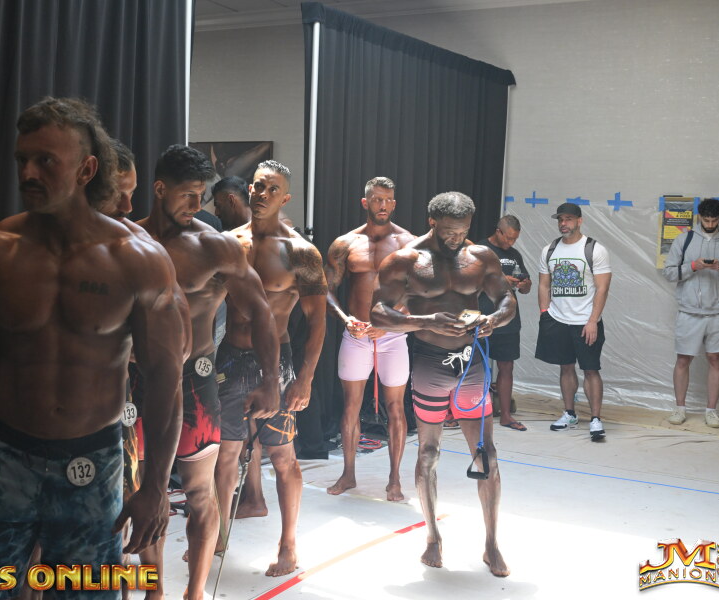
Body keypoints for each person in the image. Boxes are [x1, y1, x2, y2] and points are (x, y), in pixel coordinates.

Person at [0, 97, 186, 598]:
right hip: (5, 457)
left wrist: (155, 485)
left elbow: (165, 378)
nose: (28, 172)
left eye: (45, 160)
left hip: (96, 460)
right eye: (22, 159)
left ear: (86, 170)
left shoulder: (138, 261)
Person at [134, 145, 281, 599]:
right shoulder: (128, 242)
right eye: (188, 194)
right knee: (141, 492)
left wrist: (271, 380)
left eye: (202, 194)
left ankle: (195, 593)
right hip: (136, 381)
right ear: (160, 189)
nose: (197, 205)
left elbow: (261, 311)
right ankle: (155, 591)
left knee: (200, 492)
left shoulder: (215, 246)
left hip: (194, 381)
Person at [371, 191, 514, 577]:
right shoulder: (405, 260)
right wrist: (425, 321)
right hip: (429, 362)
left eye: (463, 231)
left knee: (487, 455)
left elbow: (506, 299)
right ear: (432, 222)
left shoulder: (481, 256)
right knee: (429, 454)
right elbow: (378, 313)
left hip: (471, 362)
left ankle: (491, 544)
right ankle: (432, 537)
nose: (456, 238)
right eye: (449, 231)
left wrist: (494, 320)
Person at [214, 160, 327, 577]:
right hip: (229, 357)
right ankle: (218, 534)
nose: (262, 194)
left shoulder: (301, 252)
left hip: (276, 362)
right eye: (258, 186)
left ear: (285, 198)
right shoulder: (228, 243)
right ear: (248, 189)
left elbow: (317, 321)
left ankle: (288, 545)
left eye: (272, 189)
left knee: (282, 456)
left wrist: (305, 379)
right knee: (225, 452)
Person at [324, 177, 415, 501]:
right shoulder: (346, 243)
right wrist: (345, 319)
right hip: (357, 333)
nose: (383, 205)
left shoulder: (408, 242)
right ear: (365, 202)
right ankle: (348, 474)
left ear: (394, 203)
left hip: (392, 335)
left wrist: (393, 320)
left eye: (388, 200)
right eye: (377, 199)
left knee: (396, 407)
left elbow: (423, 291)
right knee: (350, 405)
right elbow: (327, 289)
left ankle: (394, 479)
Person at [535, 202, 612, 440]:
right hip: (558, 319)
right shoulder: (549, 250)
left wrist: (592, 321)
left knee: (591, 369)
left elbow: (602, 288)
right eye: (560, 219)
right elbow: (544, 284)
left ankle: (596, 419)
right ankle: (569, 413)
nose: (563, 223)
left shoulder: (594, 249)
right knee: (565, 367)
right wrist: (545, 313)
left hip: (585, 321)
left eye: (568, 219)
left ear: (579, 220)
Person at [663, 198, 719, 428]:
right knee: (683, 359)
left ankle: (711, 411)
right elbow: (669, 273)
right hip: (689, 312)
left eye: (714, 220)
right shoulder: (683, 239)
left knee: (715, 359)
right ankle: (680, 409)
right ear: (699, 217)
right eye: (706, 220)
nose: (710, 224)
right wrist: (693, 266)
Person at [477, 215, 532, 431]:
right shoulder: (480, 249)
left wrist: (525, 285)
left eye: (515, 239)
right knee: (475, 367)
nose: (511, 243)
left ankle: (506, 415)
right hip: (483, 316)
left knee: (507, 366)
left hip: (508, 319)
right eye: (508, 238)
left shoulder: (515, 255)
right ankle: (472, 413)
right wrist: (500, 280)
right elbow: (468, 281)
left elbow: (525, 287)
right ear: (498, 231)